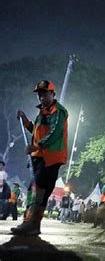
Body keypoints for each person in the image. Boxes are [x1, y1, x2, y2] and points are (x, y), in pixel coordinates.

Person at [14, 80, 68, 235]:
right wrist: (25, 121)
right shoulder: (42, 112)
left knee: (37, 190)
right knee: (35, 190)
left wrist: (36, 146)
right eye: (39, 93)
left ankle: (30, 224)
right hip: (39, 157)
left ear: (53, 94)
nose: (41, 96)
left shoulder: (58, 111)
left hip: (50, 158)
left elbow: (55, 133)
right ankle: (31, 224)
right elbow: (36, 132)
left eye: (44, 93)